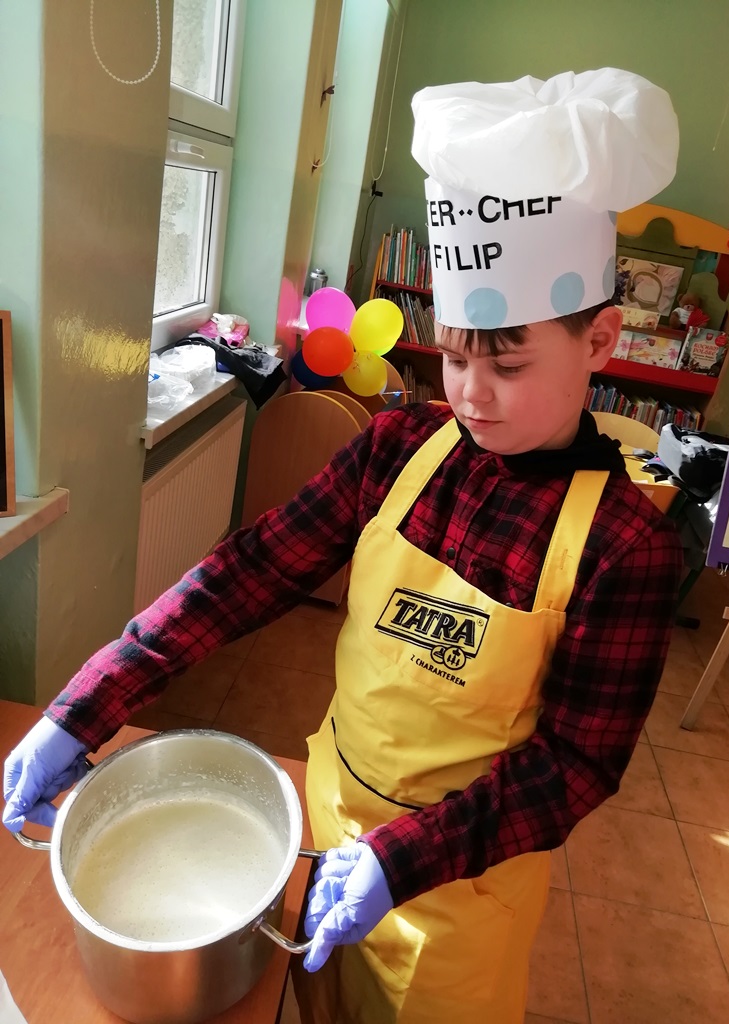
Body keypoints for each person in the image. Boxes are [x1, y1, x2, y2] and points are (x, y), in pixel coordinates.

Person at [4, 68, 682, 1023]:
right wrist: (85, 705)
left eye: (509, 362)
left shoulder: (625, 548)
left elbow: (575, 764)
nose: (470, 392)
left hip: (459, 894)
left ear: (601, 340)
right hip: (325, 822)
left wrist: (400, 860)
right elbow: (246, 573)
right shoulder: (398, 449)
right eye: (455, 355)